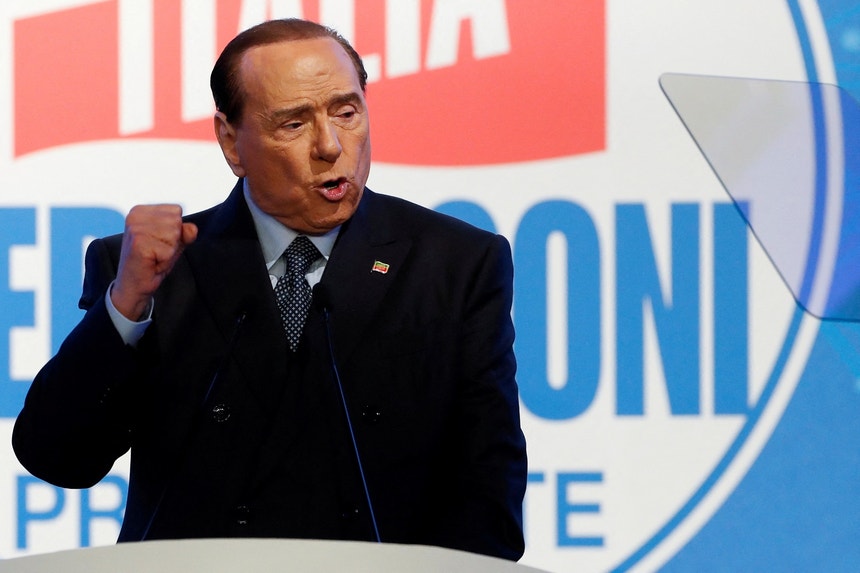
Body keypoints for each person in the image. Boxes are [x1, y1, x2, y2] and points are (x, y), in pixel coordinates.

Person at [12, 18, 527, 560]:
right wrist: (125, 306)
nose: (330, 146)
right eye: (294, 124)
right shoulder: (154, 269)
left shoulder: (454, 264)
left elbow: (488, 502)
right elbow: (58, 458)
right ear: (230, 142)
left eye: (346, 113)